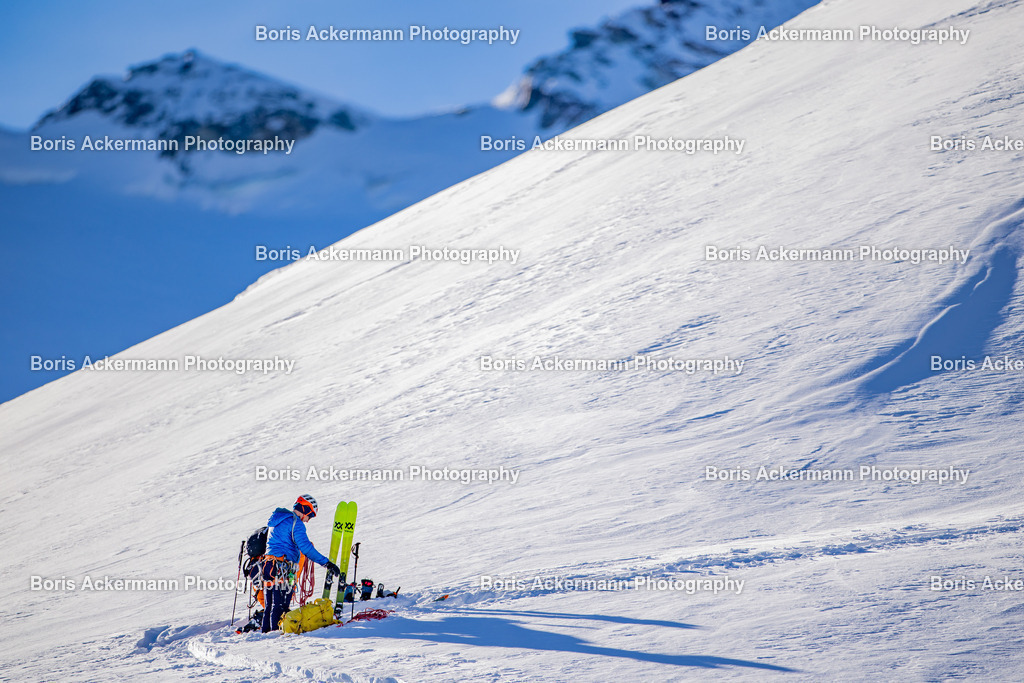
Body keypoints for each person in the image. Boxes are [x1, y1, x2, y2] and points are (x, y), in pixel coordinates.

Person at [260, 494, 340, 632]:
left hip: (268, 567)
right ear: (306, 510)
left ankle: (266, 634)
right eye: (311, 516)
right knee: (281, 606)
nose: (308, 520)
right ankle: (276, 637)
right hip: (283, 569)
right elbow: (306, 548)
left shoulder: (277, 520)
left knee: (270, 606)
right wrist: (327, 563)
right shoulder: (296, 524)